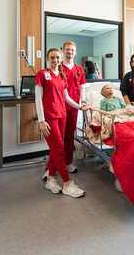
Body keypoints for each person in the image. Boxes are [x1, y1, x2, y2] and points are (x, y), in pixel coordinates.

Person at [35, 48, 89, 197]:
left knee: (55, 149)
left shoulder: (62, 75)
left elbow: (66, 97)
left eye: (57, 57)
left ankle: (51, 180)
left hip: (62, 115)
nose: (55, 60)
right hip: (49, 117)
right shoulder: (42, 74)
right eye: (52, 58)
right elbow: (38, 99)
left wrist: (80, 106)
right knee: (59, 149)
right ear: (47, 59)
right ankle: (67, 183)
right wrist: (41, 120)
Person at [61, 41, 87, 173]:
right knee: (59, 136)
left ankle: (68, 162)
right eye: (67, 50)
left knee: (70, 135)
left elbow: (82, 87)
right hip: (60, 106)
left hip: (74, 106)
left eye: (72, 50)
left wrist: (83, 101)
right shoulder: (58, 67)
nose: (69, 52)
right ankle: (55, 164)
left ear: (75, 53)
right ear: (63, 51)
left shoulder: (79, 69)